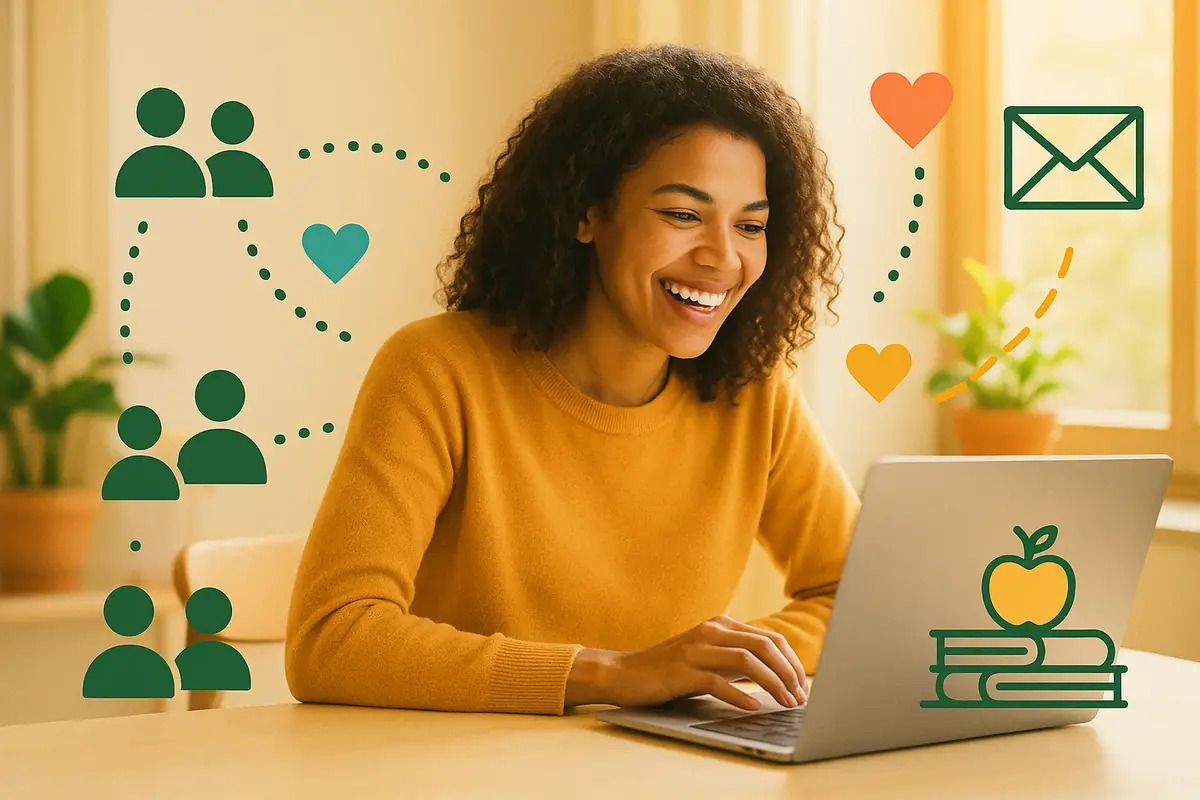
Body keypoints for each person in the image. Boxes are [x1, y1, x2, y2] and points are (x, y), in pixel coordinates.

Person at [285, 43, 860, 717]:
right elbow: (332, 638)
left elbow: (856, 592)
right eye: (682, 215)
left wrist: (723, 662)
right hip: (455, 762)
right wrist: (613, 675)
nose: (722, 256)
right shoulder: (438, 369)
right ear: (587, 212)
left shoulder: (753, 394)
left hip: (657, 766)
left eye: (751, 225)